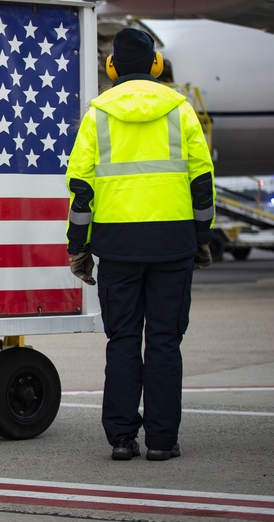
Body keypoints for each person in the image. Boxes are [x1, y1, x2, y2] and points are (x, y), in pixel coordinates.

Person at [65, 27, 215, 461]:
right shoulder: (181, 111)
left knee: (123, 341)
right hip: (172, 245)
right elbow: (202, 184)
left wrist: (78, 247)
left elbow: (81, 191)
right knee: (165, 342)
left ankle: (121, 439)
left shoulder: (97, 115)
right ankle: (163, 442)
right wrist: (201, 238)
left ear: (111, 67)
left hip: (118, 249)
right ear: (155, 65)